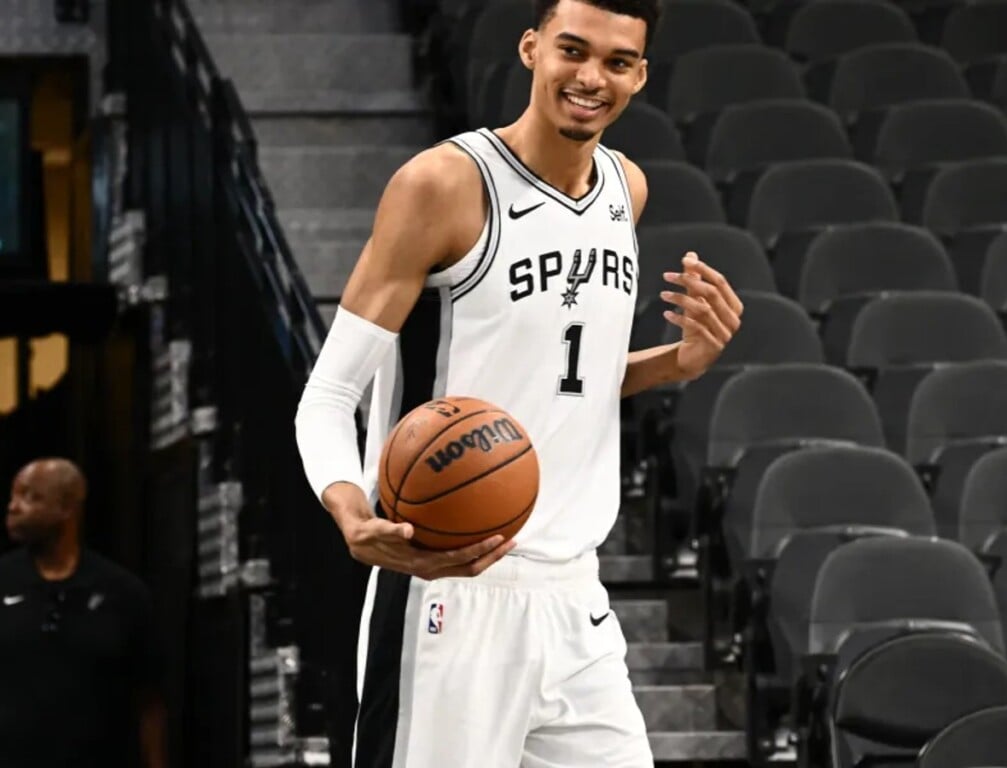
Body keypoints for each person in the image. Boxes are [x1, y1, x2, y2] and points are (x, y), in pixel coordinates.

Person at [294, 0, 744, 765]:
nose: (590, 76)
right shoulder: (441, 185)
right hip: (450, 589)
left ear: (640, 75)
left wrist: (681, 361)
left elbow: (569, 382)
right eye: (573, 50)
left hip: (574, 598)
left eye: (616, 61)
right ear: (531, 48)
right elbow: (328, 399)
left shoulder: (625, 189)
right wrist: (349, 511)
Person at [0, 458, 166, 768]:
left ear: (67, 508)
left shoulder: (123, 593)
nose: (13, 507)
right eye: (13, 496)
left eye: (30, 497)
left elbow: (150, 700)